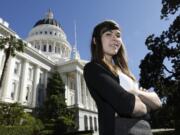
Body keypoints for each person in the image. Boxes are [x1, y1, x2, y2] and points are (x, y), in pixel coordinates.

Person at [83, 20, 162, 135]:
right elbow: (129, 106)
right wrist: (146, 102)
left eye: (118, 35)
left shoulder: (126, 72)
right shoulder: (93, 69)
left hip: (144, 129)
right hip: (121, 130)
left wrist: (135, 92)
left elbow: (158, 102)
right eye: (108, 34)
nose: (115, 38)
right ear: (96, 41)